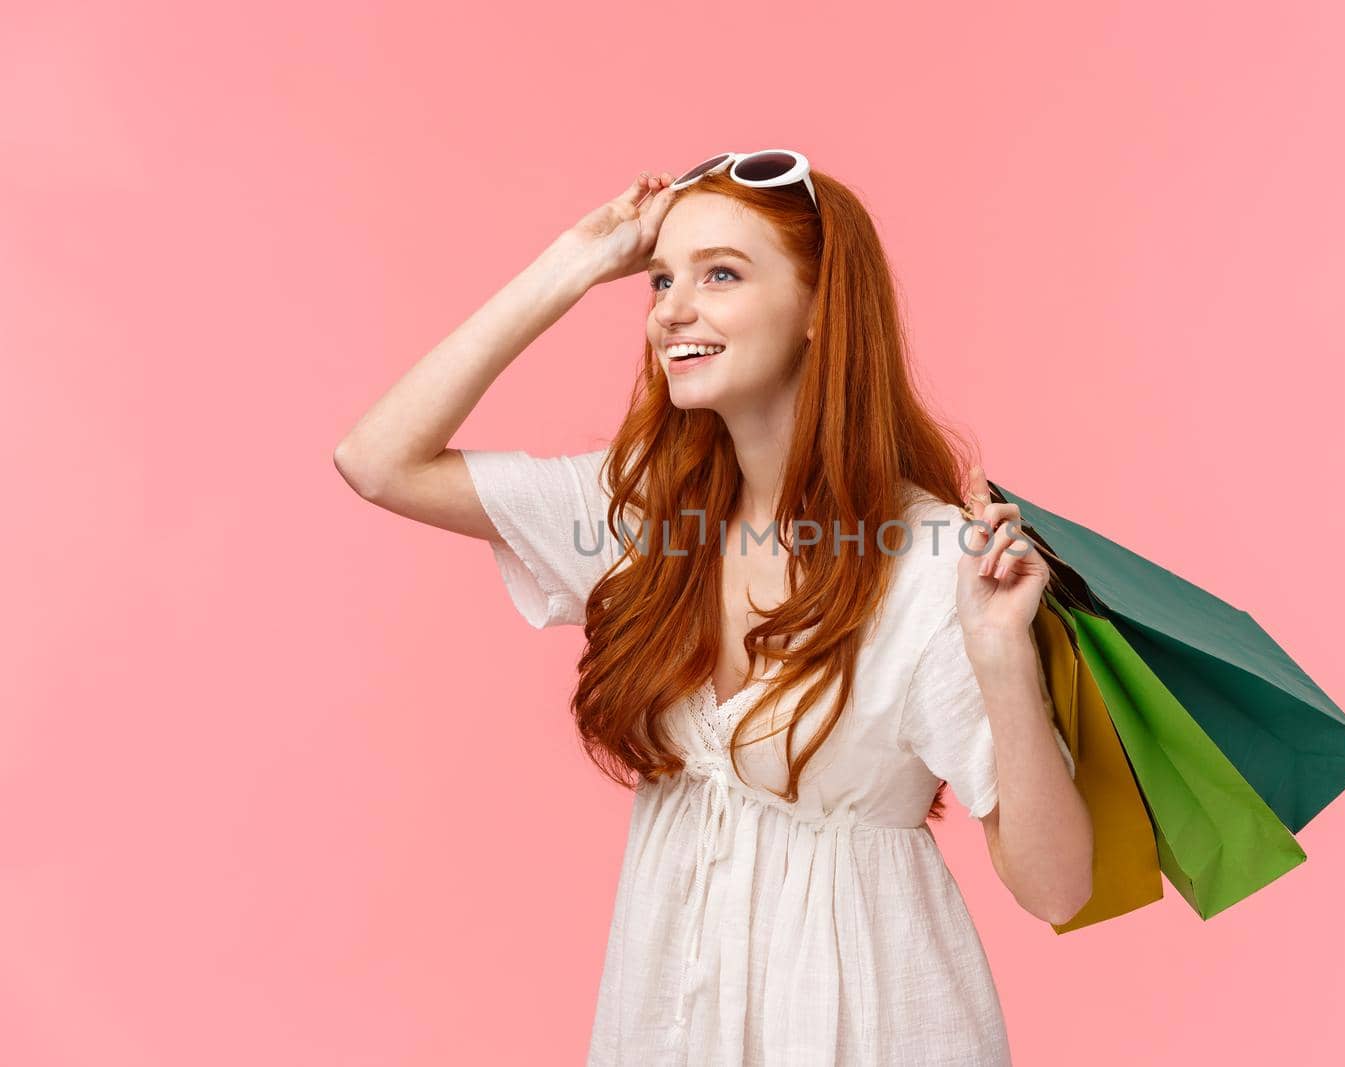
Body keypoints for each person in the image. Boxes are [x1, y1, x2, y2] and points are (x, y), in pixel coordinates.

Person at [333, 151, 1093, 1065]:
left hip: (869, 1023)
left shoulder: (931, 565)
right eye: (660, 279)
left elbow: (1057, 888)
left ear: (821, 309)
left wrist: (1002, 655)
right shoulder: (641, 513)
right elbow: (380, 461)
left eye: (720, 274)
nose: (669, 311)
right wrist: (575, 261)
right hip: (666, 1025)